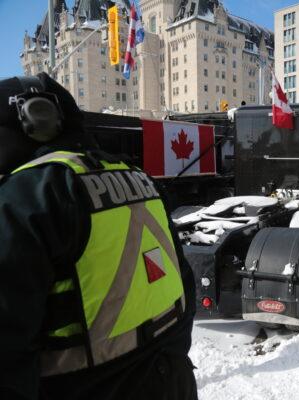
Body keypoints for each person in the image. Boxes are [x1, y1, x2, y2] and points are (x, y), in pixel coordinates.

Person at [0, 73, 197, 400]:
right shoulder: (140, 179)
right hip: (170, 382)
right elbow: (182, 290)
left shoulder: (23, 198)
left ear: (36, 120)